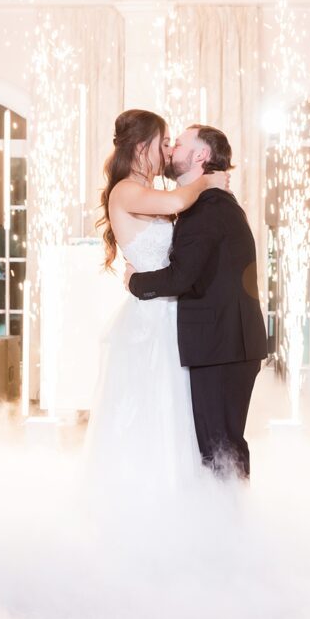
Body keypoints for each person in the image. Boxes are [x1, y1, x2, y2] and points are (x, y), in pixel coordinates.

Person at [84, 110, 231, 491]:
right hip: (151, 319)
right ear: (141, 146)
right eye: (163, 142)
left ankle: (184, 494)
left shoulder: (144, 191)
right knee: (151, 409)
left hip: (170, 311)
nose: (168, 151)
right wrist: (208, 180)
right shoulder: (125, 190)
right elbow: (176, 202)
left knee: (177, 411)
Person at [125, 123, 267, 479]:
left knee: (221, 448)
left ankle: (231, 526)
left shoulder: (209, 207)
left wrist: (134, 282)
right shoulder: (202, 202)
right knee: (217, 446)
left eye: (180, 144)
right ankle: (226, 522)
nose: (171, 149)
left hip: (223, 347)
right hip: (223, 344)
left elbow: (181, 277)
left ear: (201, 155)